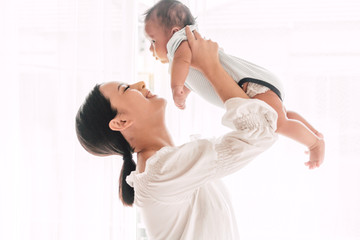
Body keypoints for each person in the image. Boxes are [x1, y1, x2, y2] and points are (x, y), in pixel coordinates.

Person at [76, 27, 279, 239]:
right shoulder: (162, 172)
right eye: (127, 89)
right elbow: (259, 133)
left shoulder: (166, 168)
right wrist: (211, 68)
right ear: (121, 122)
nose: (141, 84)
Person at [144, 0, 325, 169]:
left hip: (251, 86)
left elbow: (183, 62)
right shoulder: (188, 48)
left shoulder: (181, 43)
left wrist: (176, 87)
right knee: (282, 116)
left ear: (174, 32)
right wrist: (186, 89)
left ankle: (315, 143)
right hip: (257, 83)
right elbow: (196, 78)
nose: (151, 48)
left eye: (153, 40)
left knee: (278, 123)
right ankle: (315, 133)